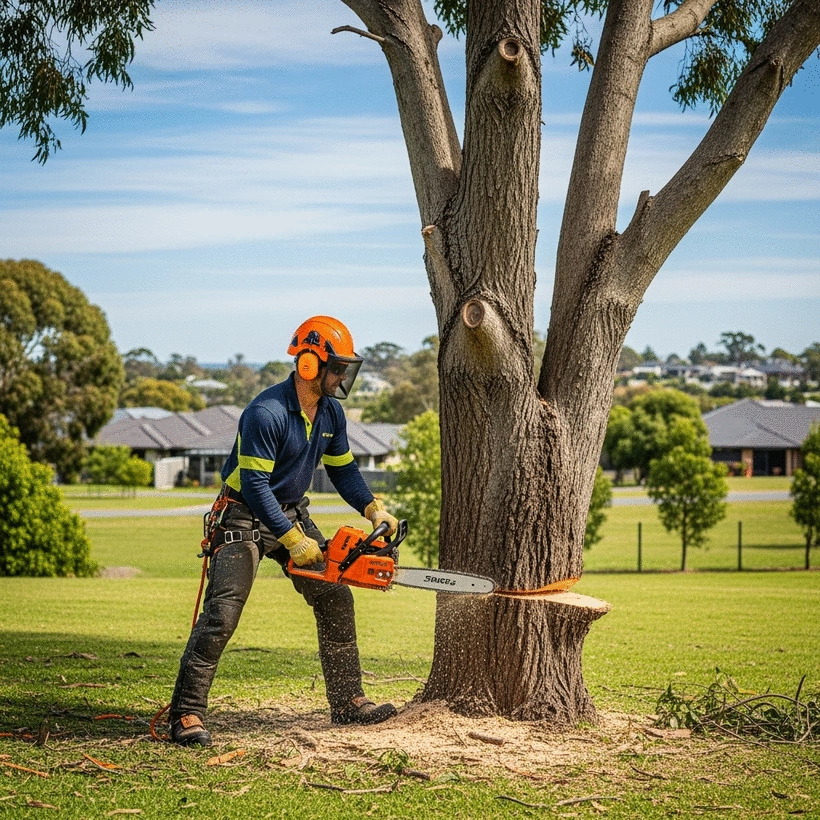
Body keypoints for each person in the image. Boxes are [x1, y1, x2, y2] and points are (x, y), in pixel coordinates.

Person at [169, 316, 399, 747]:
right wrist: (292, 540)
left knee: (334, 595)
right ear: (310, 364)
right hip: (243, 515)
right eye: (337, 367)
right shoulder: (266, 412)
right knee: (223, 612)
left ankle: (348, 701)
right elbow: (255, 486)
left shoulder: (331, 412)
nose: (344, 376)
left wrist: (373, 507)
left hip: (291, 511)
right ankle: (186, 714)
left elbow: (344, 469)